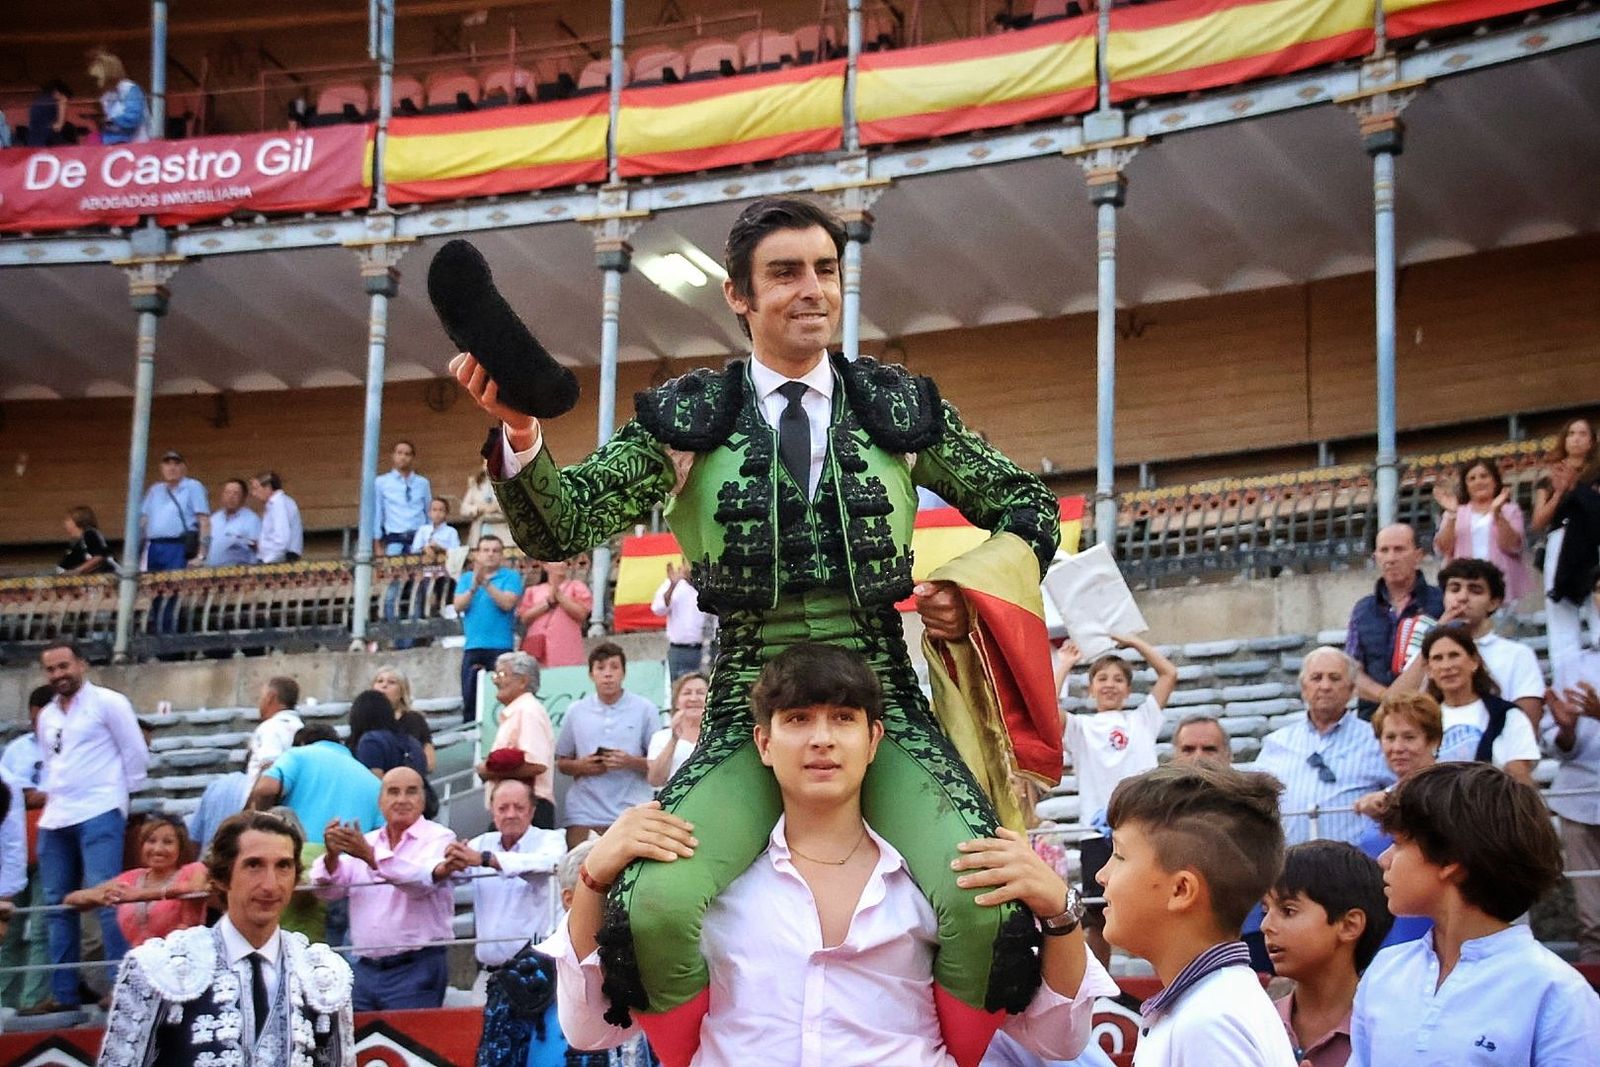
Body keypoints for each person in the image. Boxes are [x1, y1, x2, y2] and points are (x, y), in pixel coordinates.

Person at [456, 196, 1061, 1057]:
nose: (811, 289)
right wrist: (519, 430)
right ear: (738, 296)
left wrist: (965, 586)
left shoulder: (894, 407)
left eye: (825, 270)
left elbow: (1026, 505)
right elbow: (562, 524)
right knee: (657, 907)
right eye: (785, 273)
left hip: (877, 696)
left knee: (983, 901)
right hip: (749, 705)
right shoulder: (691, 417)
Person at [557, 643, 1115, 1066]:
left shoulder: (934, 876)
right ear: (764, 743)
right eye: (798, 719)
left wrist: (1060, 910)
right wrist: (592, 879)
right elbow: (588, 1030)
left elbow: (1059, 1040)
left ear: (874, 741)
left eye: (843, 719)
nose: (821, 739)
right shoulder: (708, 882)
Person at [1349, 762, 1600, 1066]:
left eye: (1399, 844)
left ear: (1451, 860)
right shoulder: (1386, 970)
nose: (1383, 859)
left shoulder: (1556, 990)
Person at [99, 811, 354, 1065]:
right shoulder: (156, 967)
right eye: (254, 865)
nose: (270, 884)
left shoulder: (323, 972)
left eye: (283, 866)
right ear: (221, 877)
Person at [1096, 762, 1295, 1066]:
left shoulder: (1210, 1022)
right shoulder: (1210, 1005)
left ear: (1180, 890)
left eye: (1120, 855)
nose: (1102, 874)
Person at [31, 639, 149, 1014]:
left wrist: (121, 802)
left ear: (81, 664)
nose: (58, 675)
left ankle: (118, 986)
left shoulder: (109, 702)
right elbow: (51, 764)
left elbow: (135, 752)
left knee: (107, 898)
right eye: (51, 669)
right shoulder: (48, 715)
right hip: (57, 815)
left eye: (64, 666)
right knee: (56, 906)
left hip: (100, 808)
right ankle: (63, 993)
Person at [1053, 634, 1177, 966]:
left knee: (1154, 908)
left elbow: (1168, 674)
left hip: (1145, 830)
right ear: (1090, 688)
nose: (1110, 685)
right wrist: (1065, 663)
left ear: (1128, 688)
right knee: (1098, 917)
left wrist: (1134, 642)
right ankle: (1102, 986)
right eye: (1102, 678)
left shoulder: (1142, 720)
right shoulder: (1081, 728)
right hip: (1097, 834)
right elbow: (1045, 706)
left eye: (1119, 679)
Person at [311, 767, 463, 1011]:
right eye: (393, 792)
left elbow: (419, 882)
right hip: (363, 968)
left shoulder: (441, 838)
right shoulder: (366, 841)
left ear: (423, 800)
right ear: (381, 802)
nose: (402, 800)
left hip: (417, 967)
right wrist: (332, 855)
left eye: (411, 792)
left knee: (411, 1045)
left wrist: (369, 857)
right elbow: (328, 891)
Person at [444, 778, 567, 1067]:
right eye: (503, 807)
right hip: (490, 975)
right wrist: (450, 861)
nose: (511, 814)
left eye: (519, 807)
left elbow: (548, 863)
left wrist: (485, 859)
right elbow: (448, 873)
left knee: (536, 1056)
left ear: (532, 811)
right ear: (492, 811)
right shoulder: (480, 843)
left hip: (539, 978)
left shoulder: (551, 839)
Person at [1259, 841, 1393, 1067]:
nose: (1265, 925)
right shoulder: (1257, 1022)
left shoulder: (1387, 1030)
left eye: (1288, 911)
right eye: (1266, 910)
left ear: (1350, 926)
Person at [1254, 647, 1392, 845]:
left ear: (1352, 689)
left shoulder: (1376, 740)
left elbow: (1401, 790)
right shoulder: (1277, 743)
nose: (1325, 686)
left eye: (1335, 678)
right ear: (1304, 688)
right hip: (1290, 865)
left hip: (1354, 867)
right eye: (1316, 678)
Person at [1387, 558, 1543, 727]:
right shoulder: (1428, 650)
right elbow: (1393, 705)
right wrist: (1435, 639)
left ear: (1493, 603)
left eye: (1475, 590)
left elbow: (1527, 725)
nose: (1462, 598)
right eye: (1454, 589)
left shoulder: (1517, 654)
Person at [1350, 691, 1439, 949]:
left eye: (1409, 737)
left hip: (1428, 927)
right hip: (1381, 929)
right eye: (1389, 737)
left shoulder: (1448, 794)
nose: (1397, 747)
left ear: (1432, 740)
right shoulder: (1380, 798)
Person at [554, 643, 661, 849]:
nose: (608, 674)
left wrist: (629, 761)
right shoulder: (576, 711)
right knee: (579, 871)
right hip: (584, 810)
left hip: (633, 807)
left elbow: (658, 764)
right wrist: (582, 766)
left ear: (624, 673)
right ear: (591, 674)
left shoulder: (645, 709)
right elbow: (562, 762)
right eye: (601, 668)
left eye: (614, 667)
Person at [1344, 524, 1445, 715]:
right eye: (1384, 550)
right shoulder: (1363, 610)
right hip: (1373, 720)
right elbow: (1352, 670)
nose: (1391, 558)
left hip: (1429, 716)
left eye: (1399, 549)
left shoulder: (1441, 603)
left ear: (1418, 556)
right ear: (1375, 558)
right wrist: (1388, 697)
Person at [63, 815, 208, 949]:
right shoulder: (131, 878)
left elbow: (197, 888)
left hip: (182, 963)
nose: (158, 849)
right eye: (151, 841)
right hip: (140, 964)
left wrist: (141, 895)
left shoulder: (193, 870)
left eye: (168, 842)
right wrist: (97, 896)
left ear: (180, 847)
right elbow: (70, 899)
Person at [1532, 416, 1600, 690]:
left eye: (1583, 433)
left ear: (1592, 441)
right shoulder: (1550, 476)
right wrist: (1560, 492)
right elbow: (1538, 522)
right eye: (1571, 433)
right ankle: (1567, 687)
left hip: (1595, 540)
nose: (1577, 438)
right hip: (1561, 542)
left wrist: (1580, 488)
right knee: (1561, 616)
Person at [1417, 626, 1538, 781]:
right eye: (1437, 658)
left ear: (1474, 662)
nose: (1446, 666)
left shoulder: (1507, 715)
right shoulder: (1421, 720)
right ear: (1428, 669)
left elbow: (1519, 776)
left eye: (1454, 655)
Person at [0, 688, 51, 1012]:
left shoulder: (73, 746)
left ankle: (32, 999)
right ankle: (4, 998)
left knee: (42, 926)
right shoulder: (17, 751)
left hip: (49, 844)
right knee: (9, 931)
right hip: (12, 853)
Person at [1543, 675, 1600, 964]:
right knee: (1592, 922)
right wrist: (1567, 731)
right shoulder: (1573, 659)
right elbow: (1555, 744)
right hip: (1578, 800)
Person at [251, 723, 382, 847]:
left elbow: (266, 789)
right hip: (350, 866)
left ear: (302, 743)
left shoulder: (298, 754)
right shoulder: (374, 782)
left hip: (298, 858)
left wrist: (261, 825)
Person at [1431, 457, 1530, 603]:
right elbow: (1443, 549)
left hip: (1500, 584)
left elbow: (1513, 546)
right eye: (1472, 478)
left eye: (1484, 476)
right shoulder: (1456, 511)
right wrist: (1452, 515)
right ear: (1466, 485)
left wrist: (1497, 514)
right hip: (1464, 588)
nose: (1478, 482)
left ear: (1495, 481)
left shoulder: (1510, 510)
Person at [482, 651, 557, 829]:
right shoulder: (519, 712)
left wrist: (489, 772)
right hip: (514, 810)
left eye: (502, 674)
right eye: (495, 675)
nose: (495, 680)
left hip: (528, 810)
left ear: (523, 681)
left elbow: (536, 764)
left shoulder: (528, 711)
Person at [455, 535, 525, 723]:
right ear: (477, 554)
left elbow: (507, 603)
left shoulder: (511, 576)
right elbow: (458, 606)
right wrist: (473, 587)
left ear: (501, 555)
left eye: (495, 550)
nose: (490, 554)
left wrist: (486, 583)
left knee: (503, 697)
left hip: (501, 648)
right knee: (470, 698)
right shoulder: (466, 579)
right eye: (485, 550)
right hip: (473, 647)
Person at [138, 450, 209, 572]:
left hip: (178, 547)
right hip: (153, 547)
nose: (172, 468)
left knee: (175, 586)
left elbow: (204, 521)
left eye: (176, 464)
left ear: (184, 468)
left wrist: (201, 555)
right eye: (167, 464)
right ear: (161, 468)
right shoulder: (155, 490)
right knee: (152, 587)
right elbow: (143, 521)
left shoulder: (193, 486)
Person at [518, 556, 593, 668]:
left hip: (567, 645)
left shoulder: (576, 586)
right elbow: (524, 617)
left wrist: (559, 596)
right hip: (540, 646)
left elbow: (582, 614)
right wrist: (547, 604)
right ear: (545, 565)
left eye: (563, 561)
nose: (561, 564)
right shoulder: (533, 590)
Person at [647, 672, 708, 788]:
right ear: (676, 702)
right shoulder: (661, 737)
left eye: (700, 693)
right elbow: (655, 780)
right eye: (687, 693)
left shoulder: (718, 736)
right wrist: (674, 739)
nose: (693, 698)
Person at [372, 664, 436, 772]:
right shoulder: (366, 720)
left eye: (391, 682)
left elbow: (430, 763)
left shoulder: (415, 719)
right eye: (379, 681)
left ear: (402, 690)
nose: (384, 686)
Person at [372, 439, 431, 557]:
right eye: (399, 453)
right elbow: (377, 513)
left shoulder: (422, 483)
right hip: (394, 538)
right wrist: (377, 544)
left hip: (419, 538)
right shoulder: (381, 482)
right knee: (395, 574)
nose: (403, 457)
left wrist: (430, 538)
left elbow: (428, 511)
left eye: (407, 454)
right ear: (393, 456)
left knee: (419, 573)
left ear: (413, 457)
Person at [652, 562, 709, 679]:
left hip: (706, 651)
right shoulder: (673, 585)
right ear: (682, 566)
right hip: (679, 651)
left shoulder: (709, 584)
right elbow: (658, 609)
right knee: (677, 690)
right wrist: (672, 586)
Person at [245, 675, 304, 781]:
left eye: (261, 697)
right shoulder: (302, 728)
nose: (259, 703)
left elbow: (269, 771)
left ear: (270, 698)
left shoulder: (269, 729)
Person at [87, 49, 149, 144]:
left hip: (135, 143)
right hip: (113, 143)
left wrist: (111, 121)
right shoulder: (106, 96)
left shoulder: (130, 89)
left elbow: (132, 119)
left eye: (98, 78)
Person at [205, 478, 262, 567]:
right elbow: (205, 544)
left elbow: (259, 547)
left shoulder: (252, 519)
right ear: (222, 495)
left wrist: (241, 542)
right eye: (227, 492)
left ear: (244, 497)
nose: (230, 496)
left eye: (236, 493)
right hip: (212, 573)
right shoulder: (214, 519)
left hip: (239, 575)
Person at [250, 470, 304, 563]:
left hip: (280, 561)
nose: (253, 494)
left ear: (268, 488)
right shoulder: (278, 503)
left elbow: (281, 541)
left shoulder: (278, 504)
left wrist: (265, 561)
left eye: (256, 488)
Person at [462, 458, 511, 545]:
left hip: (503, 530)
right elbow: (464, 509)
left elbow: (515, 508)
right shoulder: (476, 484)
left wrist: (496, 507)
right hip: (480, 529)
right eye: (486, 464)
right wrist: (478, 509)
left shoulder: (509, 484)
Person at [58, 506, 115, 576]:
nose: (64, 524)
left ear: (78, 520)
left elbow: (99, 556)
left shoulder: (90, 534)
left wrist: (77, 571)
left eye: (68, 520)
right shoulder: (76, 543)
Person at [410, 496, 462, 561]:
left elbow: (457, 553)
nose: (437, 514)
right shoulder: (423, 530)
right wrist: (425, 549)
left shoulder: (451, 531)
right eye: (434, 510)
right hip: (424, 565)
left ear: (446, 513)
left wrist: (441, 549)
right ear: (429, 513)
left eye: (441, 510)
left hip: (445, 565)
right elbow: (414, 550)